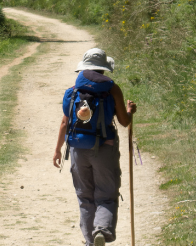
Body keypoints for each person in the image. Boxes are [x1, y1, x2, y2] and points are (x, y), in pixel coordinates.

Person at [53, 48, 137, 246]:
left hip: (77, 149)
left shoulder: (74, 90)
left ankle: (91, 242)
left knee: (85, 196)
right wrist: (130, 111)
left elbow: (65, 123)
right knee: (106, 195)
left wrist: (57, 150)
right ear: (104, 69)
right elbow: (124, 122)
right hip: (104, 149)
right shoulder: (112, 89)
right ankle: (101, 229)